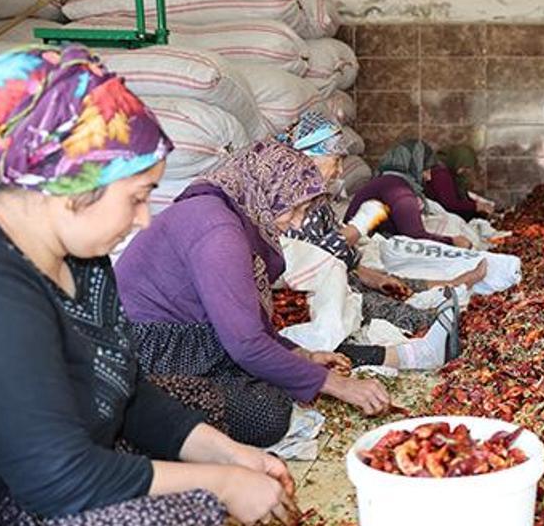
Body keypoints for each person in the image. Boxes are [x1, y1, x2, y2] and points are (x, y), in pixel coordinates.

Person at [0, 46, 297, 526]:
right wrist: (223, 484)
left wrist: (230, 454)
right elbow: (58, 479)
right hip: (10, 500)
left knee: (260, 417)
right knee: (194, 524)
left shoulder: (82, 257)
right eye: (137, 198)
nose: (144, 221)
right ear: (72, 187)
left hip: (82, 441)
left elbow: (127, 389)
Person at [116, 141, 393, 448]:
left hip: (195, 342)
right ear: (265, 190)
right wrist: (338, 386)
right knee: (266, 412)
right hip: (154, 356)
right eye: (295, 208)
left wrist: (304, 356)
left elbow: (247, 325)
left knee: (286, 374)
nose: (297, 222)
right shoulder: (218, 230)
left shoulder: (229, 215)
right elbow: (246, 344)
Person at [278, 113, 485, 336]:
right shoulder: (287, 201)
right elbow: (313, 261)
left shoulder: (319, 202)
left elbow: (344, 260)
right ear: (309, 160)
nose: (340, 171)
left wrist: (378, 280)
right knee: (369, 303)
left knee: (389, 283)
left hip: (339, 274)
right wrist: (360, 225)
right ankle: (431, 319)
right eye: (336, 161)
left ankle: (449, 286)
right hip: (304, 292)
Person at [344, 139, 470, 248]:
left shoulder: (387, 179)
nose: (428, 177)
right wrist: (452, 241)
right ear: (414, 167)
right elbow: (414, 237)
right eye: (425, 170)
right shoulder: (400, 191)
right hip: (360, 246)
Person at [424, 144, 495, 221]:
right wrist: (476, 206)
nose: (462, 171)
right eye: (462, 166)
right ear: (455, 160)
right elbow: (449, 203)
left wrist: (480, 205)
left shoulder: (454, 173)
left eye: (468, 168)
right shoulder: (440, 174)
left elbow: (462, 196)